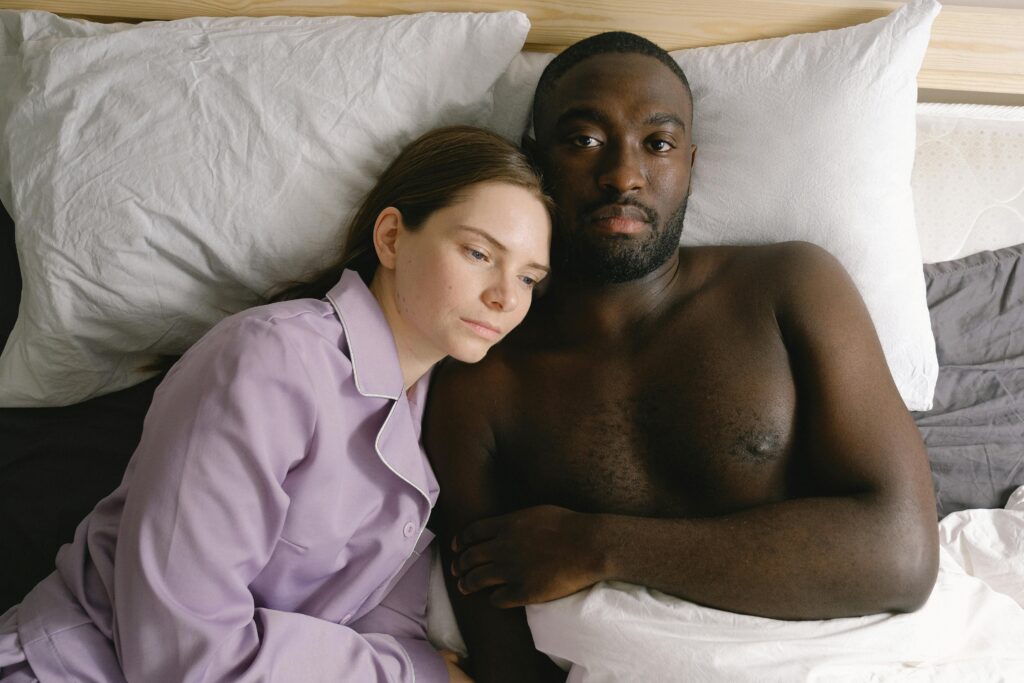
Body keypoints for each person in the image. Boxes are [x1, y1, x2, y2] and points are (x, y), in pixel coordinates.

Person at [423, 33, 940, 682]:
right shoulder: (480, 374)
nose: (623, 175)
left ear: (690, 164)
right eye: (584, 140)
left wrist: (597, 544)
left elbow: (904, 554)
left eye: (658, 144)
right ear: (537, 161)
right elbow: (502, 653)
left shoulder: (790, 287)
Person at [0, 126, 552, 683]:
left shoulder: (432, 418)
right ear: (391, 238)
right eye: (480, 253)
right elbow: (186, 651)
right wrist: (414, 675)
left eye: (529, 278)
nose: (505, 296)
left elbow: (384, 622)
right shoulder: (272, 360)